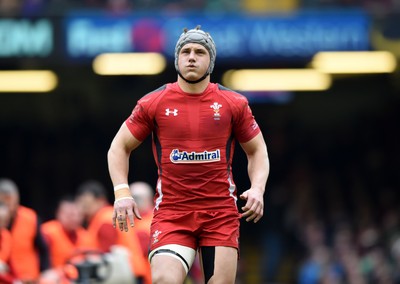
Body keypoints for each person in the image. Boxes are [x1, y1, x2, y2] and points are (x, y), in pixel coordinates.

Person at [107, 25, 270, 283]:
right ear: (177, 59)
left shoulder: (233, 103)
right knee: (164, 280)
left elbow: (257, 149)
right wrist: (122, 192)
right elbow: (119, 146)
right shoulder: (154, 102)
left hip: (219, 213)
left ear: (211, 61)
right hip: (173, 213)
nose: (191, 57)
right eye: (185, 51)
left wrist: (258, 188)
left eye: (199, 52)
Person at [75, 180, 151, 284]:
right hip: (130, 271)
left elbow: (106, 255)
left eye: (88, 204)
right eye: (83, 204)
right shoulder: (107, 215)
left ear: (101, 200)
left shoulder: (105, 220)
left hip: (125, 274)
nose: (85, 209)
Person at [0, 178, 50, 283]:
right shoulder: (4, 234)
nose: (9, 207)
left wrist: (45, 271)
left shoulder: (30, 217)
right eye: (4, 202)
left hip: (28, 278)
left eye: (11, 201)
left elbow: (43, 247)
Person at [41, 195, 94, 268]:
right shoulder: (47, 232)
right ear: (59, 213)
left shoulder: (85, 235)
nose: (74, 218)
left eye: (78, 215)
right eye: (70, 215)